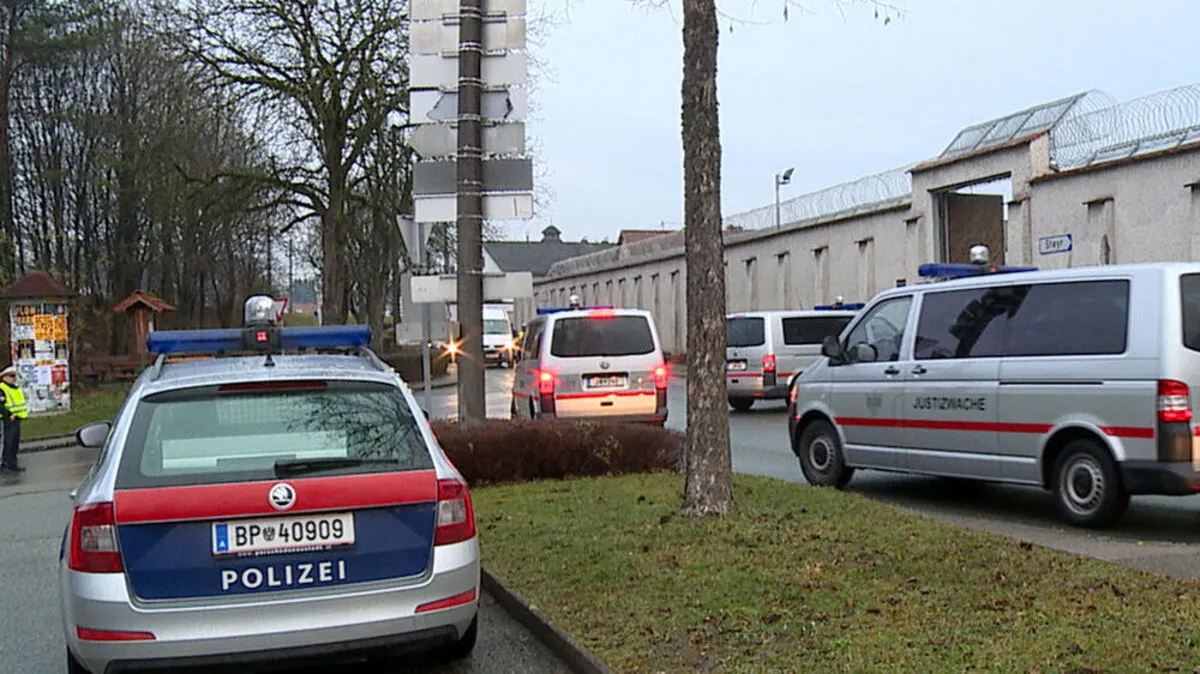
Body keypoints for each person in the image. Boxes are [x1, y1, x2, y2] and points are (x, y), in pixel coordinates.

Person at [0, 366, 28, 473]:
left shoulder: (15, 388)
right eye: (11, 376)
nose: (14, 378)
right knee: (9, 442)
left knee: (14, 443)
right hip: (7, 419)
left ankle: (13, 464)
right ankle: (6, 465)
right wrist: (9, 414)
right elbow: (1, 405)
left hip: (16, 418)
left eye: (15, 376)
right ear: (4, 377)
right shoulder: (2, 388)